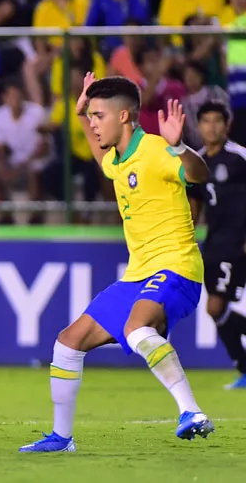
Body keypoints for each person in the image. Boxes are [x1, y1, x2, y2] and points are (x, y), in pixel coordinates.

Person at [19, 74, 214, 453]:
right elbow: (102, 159)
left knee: (138, 329)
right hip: (138, 274)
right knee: (67, 343)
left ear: (124, 116)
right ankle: (62, 438)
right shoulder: (118, 158)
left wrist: (180, 147)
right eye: (90, 116)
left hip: (176, 267)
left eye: (97, 116)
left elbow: (198, 174)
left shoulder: (157, 150)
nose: (92, 123)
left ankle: (191, 411)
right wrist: (77, 115)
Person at [187, 101, 246, 389]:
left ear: (227, 125)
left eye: (217, 121)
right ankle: (244, 368)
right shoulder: (196, 161)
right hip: (214, 245)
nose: (212, 126)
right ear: (199, 127)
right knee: (215, 310)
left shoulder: (239, 157)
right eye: (206, 121)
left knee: (216, 306)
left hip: (238, 244)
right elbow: (194, 205)